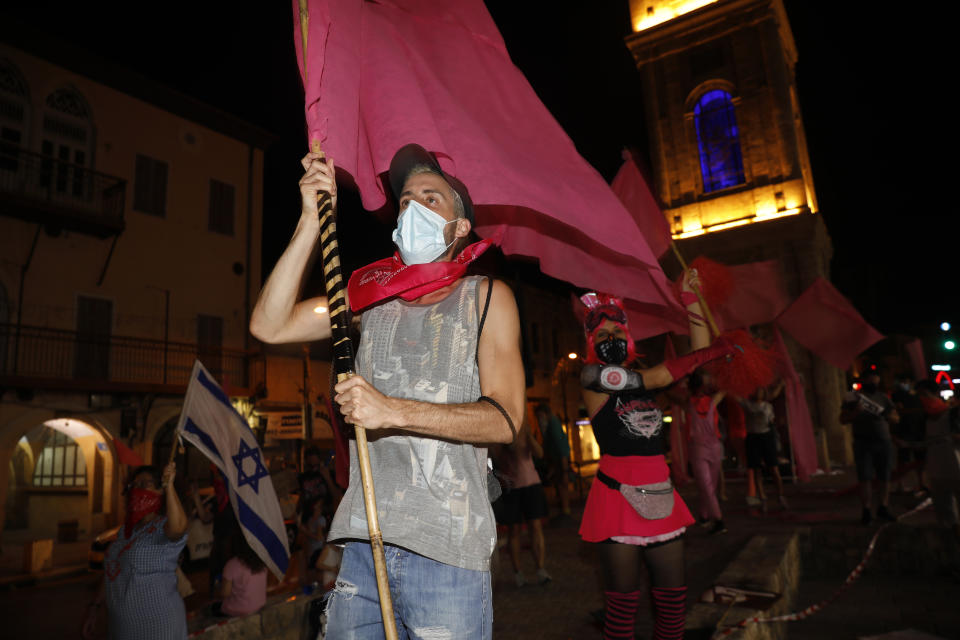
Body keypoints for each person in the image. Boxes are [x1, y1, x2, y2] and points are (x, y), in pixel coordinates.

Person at [249, 144, 524, 639]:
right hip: (364, 542)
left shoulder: (486, 297)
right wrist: (311, 220)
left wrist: (392, 410)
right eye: (404, 200)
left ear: (461, 228)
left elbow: (505, 419)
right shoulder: (370, 299)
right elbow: (270, 325)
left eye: (431, 198)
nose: (413, 205)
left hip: (449, 550)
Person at [577, 278, 735, 640]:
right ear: (590, 343)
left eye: (618, 330)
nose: (611, 339)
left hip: (661, 494)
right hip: (617, 500)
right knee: (621, 615)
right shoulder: (591, 378)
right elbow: (658, 375)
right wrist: (707, 354)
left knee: (672, 606)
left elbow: (692, 359)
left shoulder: (641, 377)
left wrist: (691, 298)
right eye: (602, 335)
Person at [82, 462, 189, 640]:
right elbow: (113, 571)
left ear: (160, 490)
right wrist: (94, 607)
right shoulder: (126, 530)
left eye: (144, 484)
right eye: (134, 485)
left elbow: (178, 528)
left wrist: (169, 485)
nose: (137, 490)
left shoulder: (162, 526)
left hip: (157, 626)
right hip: (121, 627)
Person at [492, 414, 552, 587]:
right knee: (514, 531)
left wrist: (528, 436)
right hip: (511, 487)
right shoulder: (499, 433)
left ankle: (541, 569)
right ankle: (518, 573)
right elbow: (496, 458)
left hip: (531, 484)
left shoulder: (524, 431)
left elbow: (540, 454)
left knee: (535, 526)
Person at [840, 370, 900, 525]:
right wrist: (855, 413)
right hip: (863, 442)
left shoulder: (883, 398)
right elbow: (843, 419)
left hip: (883, 441)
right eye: (871, 381)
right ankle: (866, 510)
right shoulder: (853, 398)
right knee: (865, 477)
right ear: (864, 381)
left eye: (876, 382)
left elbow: (895, 418)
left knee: (884, 476)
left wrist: (888, 416)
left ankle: (883, 507)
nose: (874, 384)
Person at [915, 380, 960, 536]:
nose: (922, 399)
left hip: (955, 466)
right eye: (919, 395)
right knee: (943, 506)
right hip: (936, 469)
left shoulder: (952, 415)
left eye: (925, 395)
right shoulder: (924, 418)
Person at [686, 372, 728, 535]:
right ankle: (718, 520)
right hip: (700, 449)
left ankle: (703, 516)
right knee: (707, 485)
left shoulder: (711, 401)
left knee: (709, 485)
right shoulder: (689, 402)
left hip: (712, 448)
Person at [740, 381, 787, 512]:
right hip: (753, 438)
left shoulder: (767, 406)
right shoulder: (747, 404)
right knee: (756, 469)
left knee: (774, 468)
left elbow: (771, 420)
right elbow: (736, 398)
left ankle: (781, 495)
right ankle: (763, 497)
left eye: (760, 390)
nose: (757, 392)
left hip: (766, 437)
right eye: (755, 390)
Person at [213, 532, 268, 618]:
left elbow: (224, 593)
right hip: (259, 605)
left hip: (237, 611)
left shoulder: (232, 564)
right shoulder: (262, 562)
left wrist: (217, 586)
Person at [536, 402, 572, 520]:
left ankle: (565, 511)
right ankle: (564, 510)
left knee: (562, 485)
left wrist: (565, 468)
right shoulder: (551, 424)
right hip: (557, 460)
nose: (539, 419)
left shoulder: (553, 424)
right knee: (560, 485)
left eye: (540, 416)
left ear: (546, 414)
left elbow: (560, 447)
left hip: (560, 460)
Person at [892, 375, 927, 494]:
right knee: (903, 460)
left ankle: (921, 483)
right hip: (904, 432)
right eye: (903, 381)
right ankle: (900, 484)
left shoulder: (919, 397)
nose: (905, 384)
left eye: (907, 381)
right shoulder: (897, 395)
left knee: (920, 460)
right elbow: (895, 413)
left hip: (918, 432)